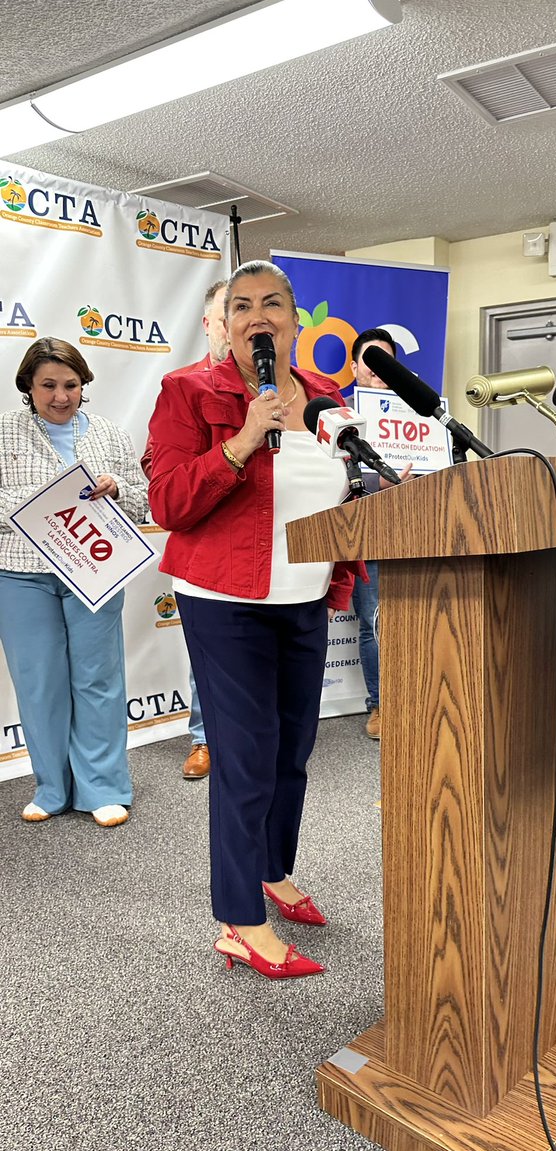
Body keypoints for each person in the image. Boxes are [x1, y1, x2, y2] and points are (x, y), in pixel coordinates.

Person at [148, 260, 363, 979]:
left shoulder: (330, 399)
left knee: (290, 754)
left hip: (304, 597)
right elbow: (170, 504)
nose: (258, 315)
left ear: (295, 319)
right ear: (225, 324)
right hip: (226, 603)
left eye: (273, 302)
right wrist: (240, 440)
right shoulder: (187, 392)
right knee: (245, 765)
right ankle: (239, 920)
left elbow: (342, 494)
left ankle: (272, 871)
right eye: (241, 306)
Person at [0, 337, 148, 826]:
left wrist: (117, 488)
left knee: (98, 679)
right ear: (28, 386)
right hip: (22, 573)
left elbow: (141, 499)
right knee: (39, 683)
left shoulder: (108, 432)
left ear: (84, 384)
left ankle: (103, 788)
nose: (61, 396)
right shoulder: (4, 431)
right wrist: (47, 504)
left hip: (96, 572)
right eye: (49, 386)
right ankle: (50, 788)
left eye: (71, 384)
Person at [142, 279, 229, 781]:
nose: (235, 327)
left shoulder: (282, 388)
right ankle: (203, 739)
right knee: (207, 653)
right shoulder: (181, 385)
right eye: (225, 317)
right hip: (202, 544)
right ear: (208, 325)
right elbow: (161, 472)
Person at [350, 328, 411, 740]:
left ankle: (417, 700)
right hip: (368, 533)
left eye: (386, 361)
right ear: (354, 367)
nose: (378, 370)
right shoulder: (339, 415)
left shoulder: (419, 414)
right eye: (370, 360)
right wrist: (379, 486)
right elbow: (337, 479)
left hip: (416, 533)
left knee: (415, 621)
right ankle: (381, 705)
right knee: (374, 623)